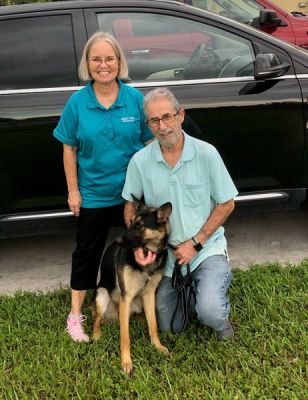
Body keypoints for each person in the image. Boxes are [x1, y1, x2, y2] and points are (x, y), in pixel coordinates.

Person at [53, 32, 153, 342]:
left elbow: (150, 144)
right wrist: (73, 190)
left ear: (119, 61)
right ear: (87, 64)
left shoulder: (135, 99)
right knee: (87, 253)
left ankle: (141, 300)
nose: (103, 65)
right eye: (96, 59)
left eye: (109, 58)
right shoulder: (78, 102)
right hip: (94, 193)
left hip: (132, 195)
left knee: (141, 247)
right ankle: (75, 316)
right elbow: (68, 147)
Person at [122, 87, 238, 339]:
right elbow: (130, 206)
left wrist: (196, 242)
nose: (163, 126)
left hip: (206, 249)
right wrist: (140, 244)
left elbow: (227, 203)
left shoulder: (207, 153)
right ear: (148, 124)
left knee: (211, 312)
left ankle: (218, 315)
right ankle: (194, 291)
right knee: (169, 326)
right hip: (167, 257)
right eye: (155, 120)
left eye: (168, 117)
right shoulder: (140, 161)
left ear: (181, 115)